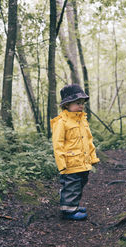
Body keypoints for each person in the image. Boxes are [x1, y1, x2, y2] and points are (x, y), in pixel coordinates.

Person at [50, 84, 100, 220]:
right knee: (72, 185)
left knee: (80, 183)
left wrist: (93, 158)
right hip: (70, 162)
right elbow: (58, 144)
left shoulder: (82, 120)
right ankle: (68, 211)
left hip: (83, 161)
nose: (81, 106)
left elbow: (89, 140)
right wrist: (61, 164)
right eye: (78, 103)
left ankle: (74, 205)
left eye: (82, 103)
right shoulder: (61, 122)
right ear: (67, 104)